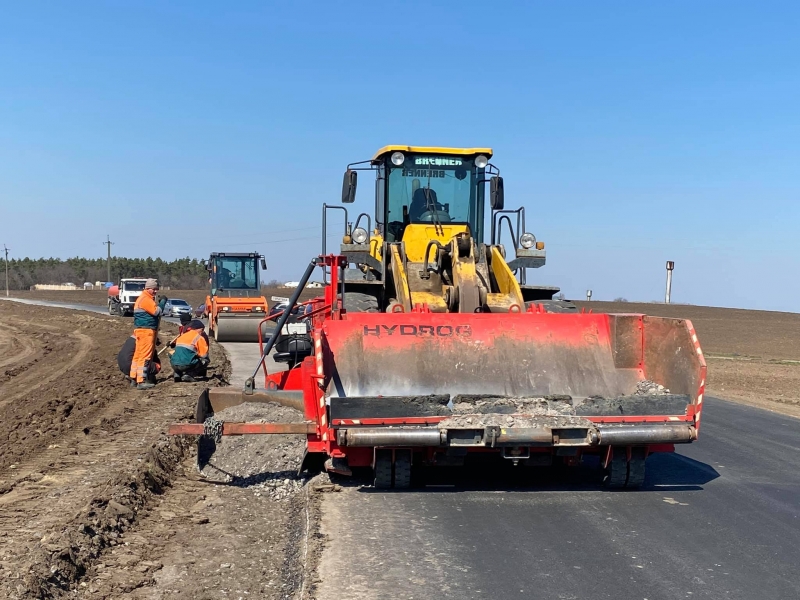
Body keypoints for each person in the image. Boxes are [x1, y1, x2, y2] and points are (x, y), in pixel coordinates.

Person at [130, 278, 167, 390]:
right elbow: (157, 312)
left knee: (138, 355)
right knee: (145, 356)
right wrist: (162, 302)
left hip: (140, 330)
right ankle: (141, 381)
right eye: (154, 289)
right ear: (148, 288)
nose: (156, 291)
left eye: (157, 289)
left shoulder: (142, 298)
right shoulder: (146, 299)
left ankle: (134, 378)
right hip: (146, 331)